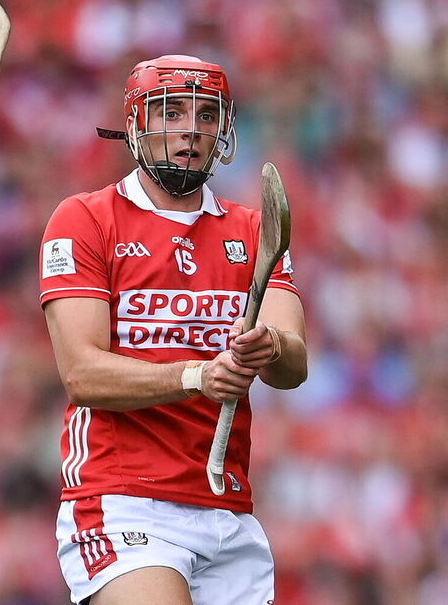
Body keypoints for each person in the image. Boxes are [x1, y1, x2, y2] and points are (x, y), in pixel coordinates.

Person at [39, 55, 308, 605]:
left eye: (206, 115)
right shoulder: (86, 218)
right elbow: (82, 375)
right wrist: (196, 376)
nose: (191, 129)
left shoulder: (252, 230)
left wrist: (271, 345)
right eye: (171, 112)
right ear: (135, 123)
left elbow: (293, 367)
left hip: (226, 507)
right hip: (122, 498)